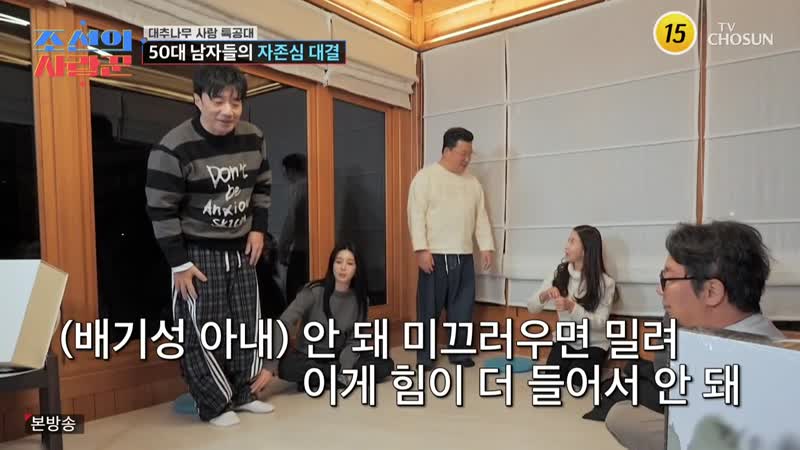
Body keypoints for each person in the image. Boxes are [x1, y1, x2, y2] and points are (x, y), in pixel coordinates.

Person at [145, 65, 276, 427]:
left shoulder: (254, 137)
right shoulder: (173, 147)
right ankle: (214, 404)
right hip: (197, 253)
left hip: (241, 249)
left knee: (246, 323)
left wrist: (258, 230)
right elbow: (160, 209)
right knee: (201, 330)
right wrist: (178, 263)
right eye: (217, 101)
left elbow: (262, 186)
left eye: (236, 102)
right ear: (198, 100)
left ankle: (243, 394)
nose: (227, 111)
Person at [605, 221, 785, 450]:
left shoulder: (768, 366)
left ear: (711, 291)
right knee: (622, 415)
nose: (660, 290)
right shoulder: (709, 337)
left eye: (667, 280)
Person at [407, 127, 495, 369]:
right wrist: (421, 250)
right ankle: (425, 356)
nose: (467, 159)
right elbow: (416, 215)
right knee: (429, 308)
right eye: (462, 153)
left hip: (463, 255)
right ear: (447, 150)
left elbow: (480, 217)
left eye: (469, 154)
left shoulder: (473, 183)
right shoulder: (425, 177)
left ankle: (459, 352)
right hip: (434, 255)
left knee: (463, 307)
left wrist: (486, 247)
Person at [277, 242, 395, 391]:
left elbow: (354, 341)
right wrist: (270, 363)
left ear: (356, 269)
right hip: (309, 356)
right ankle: (332, 376)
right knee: (286, 367)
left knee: (385, 364)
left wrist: (346, 367)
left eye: (349, 263)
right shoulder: (313, 291)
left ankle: (320, 378)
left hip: (339, 356)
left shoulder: (360, 300)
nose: (343, 267)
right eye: (338, 262)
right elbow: (284, 322)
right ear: (332, 265)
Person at [528, 225, 617, 387]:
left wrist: (572, 307)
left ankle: (600, 364)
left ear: (585, 250)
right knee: (552, 377)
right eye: (568, 240)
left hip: (593, 343)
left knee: (577, 380)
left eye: (572, 241)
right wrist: (545, 295)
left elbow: (600, 322)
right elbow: (531, 307)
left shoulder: (606, 283)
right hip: (566, 341)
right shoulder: (559, 273)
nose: (566, 246)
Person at [277, 153, 309, 304]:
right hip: (314, 249)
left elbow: (291, 221)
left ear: (290, 170)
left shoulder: (298, 187)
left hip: (301, 248)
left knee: (293, 296)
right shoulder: (315, 186)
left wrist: (282, 248)